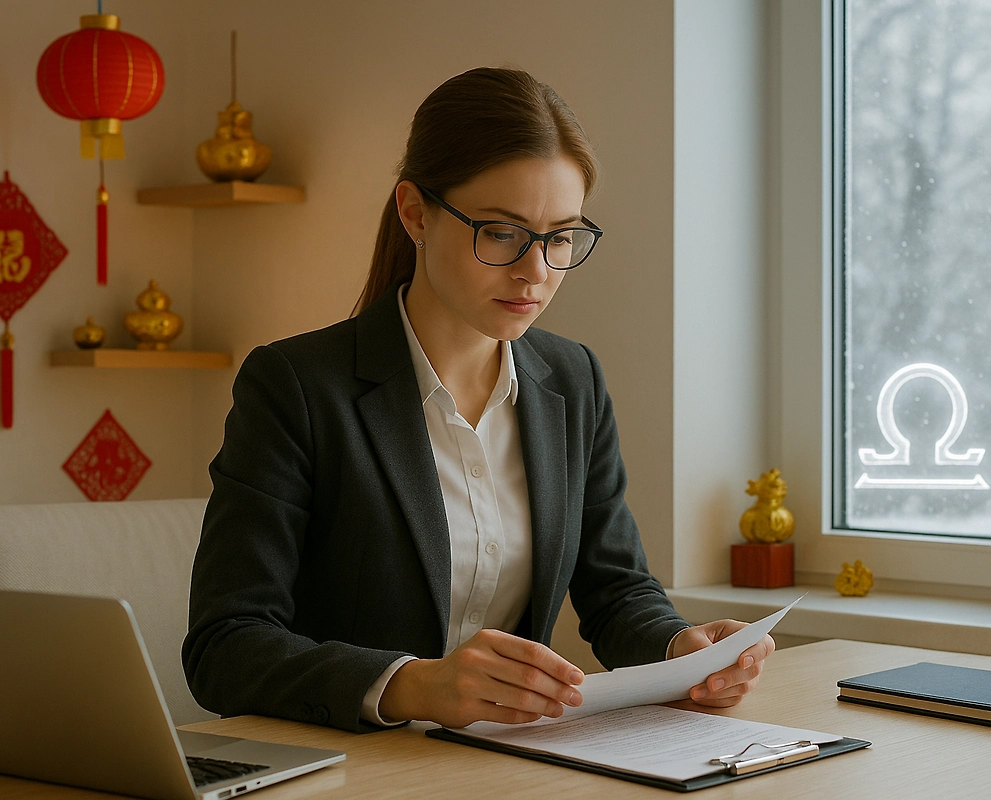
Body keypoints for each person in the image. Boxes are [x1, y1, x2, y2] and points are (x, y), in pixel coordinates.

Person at [183, 66, 775, 734]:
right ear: (415, 212)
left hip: (509, 765)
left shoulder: (571, 379)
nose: (536, 271)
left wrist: (681, 650)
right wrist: (413, 685)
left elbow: (615, 592)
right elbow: (223, 647)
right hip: (355, 769)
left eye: (560, 237)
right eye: (501, 232)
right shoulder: (295, 384)